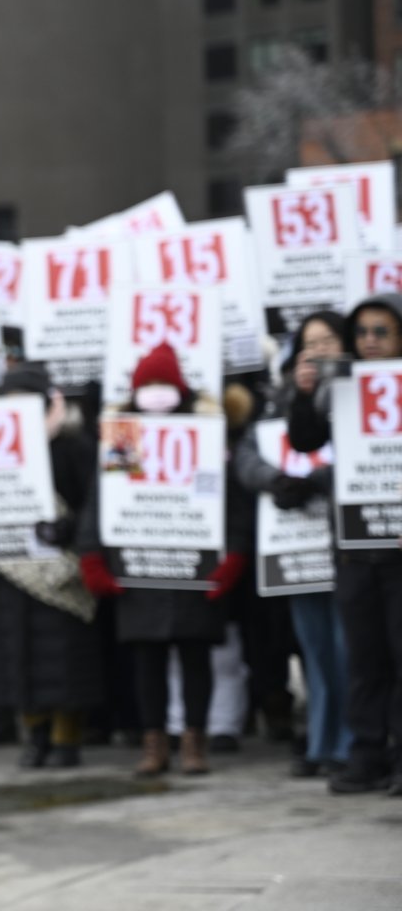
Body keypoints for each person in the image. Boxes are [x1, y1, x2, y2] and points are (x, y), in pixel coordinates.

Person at [77, 343, 245, 778]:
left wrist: (234, 556)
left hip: (194, 568)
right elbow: (103, 500)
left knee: (195, 659)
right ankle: (155, 744)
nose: (155, 393)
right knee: (146, 661)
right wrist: (93, 555)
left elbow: (229, 502)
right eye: (147, 384)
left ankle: (194, 741)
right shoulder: (124, 438)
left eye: (163, 384)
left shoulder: (205, 432)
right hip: (141, 569)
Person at [287, 294, 402, 796]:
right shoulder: (344, 384)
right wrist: (304, 393)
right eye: (363, 333)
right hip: (357, 545)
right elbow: (306, 440)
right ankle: (368, 752)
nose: (370, 341)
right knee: (365, 655)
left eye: (381, 331)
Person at [233, 312, 351, 778]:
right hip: (297, 550)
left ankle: (350, 743)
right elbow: (246, 455)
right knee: (316, 654)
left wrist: (317, 481)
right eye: (309, 342)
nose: (318, 350)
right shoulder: (279, 400)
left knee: (348, 654)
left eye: (327, 340)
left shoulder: (361, 394)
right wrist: (276, 481)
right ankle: (323, 742)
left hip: (345, 545)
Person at [0, 364, 102, 769]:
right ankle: (35, 734)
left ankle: (66, 736)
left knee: (64, 654)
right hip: (15, 572)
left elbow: (93, 499)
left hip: (62, 568)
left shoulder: (73, 446)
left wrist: (67, 528)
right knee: (20, 655)